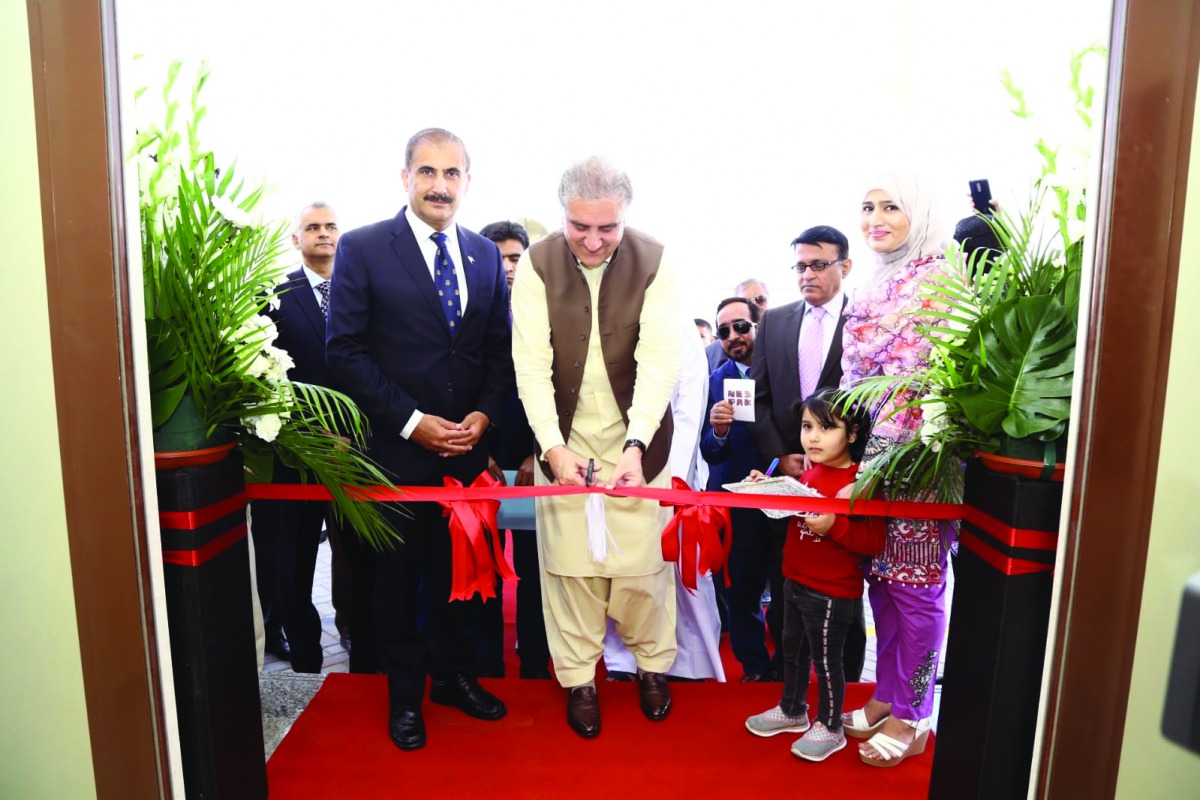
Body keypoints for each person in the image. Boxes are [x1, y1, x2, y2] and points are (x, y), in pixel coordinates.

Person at [326, 128, 515, 751]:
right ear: (404, 177)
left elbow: (495, 351)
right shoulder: (363, 247)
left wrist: (485, 416)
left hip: (467, 459)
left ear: (466, 181)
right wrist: (412, 422)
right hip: (397, 456)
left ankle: (455, 679)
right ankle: (405, 699)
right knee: (398, 590)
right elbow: (345, 351)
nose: (440, 185)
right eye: (428, 172)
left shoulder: (486, 257)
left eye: (453, 173)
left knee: (459, 583)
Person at [511, 156, 681, 739]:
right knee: (570, 570)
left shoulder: (655, 261)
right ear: (564, 214)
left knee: (642, 569)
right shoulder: (536, 263)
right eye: (579, 226)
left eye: (606, 227)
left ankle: (653, 666)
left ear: (624, 215)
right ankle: (580, 678)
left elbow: (660, 362)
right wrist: (552, 449)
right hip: (562, 438)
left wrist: (636, 445)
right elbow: (529, 366)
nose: (591, 239)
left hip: (638, 441)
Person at [840, 170, 954, 767]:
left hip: (920, 465)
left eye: (892, 206)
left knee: (917, 592)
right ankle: (886, 694)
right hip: (871, 463)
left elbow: (933, 382)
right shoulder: (877, 280)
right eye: (867, 206)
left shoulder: (940, 276)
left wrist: (894, 454)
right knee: (882, 583)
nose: (875, 218)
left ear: (922, 211)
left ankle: (915, 712)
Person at [750, 225, 865, 682]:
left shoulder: (867, 320)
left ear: (845, 267)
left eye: (818, 264)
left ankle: (848, 679)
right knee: (786, 579)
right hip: (789, 474)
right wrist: (783, 454)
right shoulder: (774, 321)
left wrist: (841, 459)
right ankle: (787, 677)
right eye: (800, 265)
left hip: (846, 477)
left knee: (844, 580)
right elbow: (760, 397)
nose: (807, 274)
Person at [744, 389, 884, 762]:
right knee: (791, 653)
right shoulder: (811, 471)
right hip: (794, 579)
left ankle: (831, 725)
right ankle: (792, 710)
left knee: (826, 663)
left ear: (853, 434)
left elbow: (872, 540)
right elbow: (800, 517)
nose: (813, 437)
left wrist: (834, 525)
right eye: (807, 426)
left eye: (826, 427)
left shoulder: (862, 481)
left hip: (833, 591)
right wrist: (770, 491)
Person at [250, 202, 345, 674]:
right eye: (312, 227)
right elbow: (263, 375)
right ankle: (306, 659)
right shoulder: (273, 295)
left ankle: (362, 647)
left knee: (356, 563)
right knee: (294, 565)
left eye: (330, 226)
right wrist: (308, 432)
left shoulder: (359, 288)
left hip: (357, 453)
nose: (323, 234)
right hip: (297, 453)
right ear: (296, 239)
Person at [601, 316, 724, 682]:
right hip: (617, 465)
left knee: (684, 569)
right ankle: (623, 658)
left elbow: (690, 404)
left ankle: (693, 661)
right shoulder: (605, 313)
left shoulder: (677, 320)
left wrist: (675, 475)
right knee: (622, 566)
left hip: (672, 469)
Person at [478, 219, 552, 680]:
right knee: (480, 569)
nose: (511, 266)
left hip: (534, 463)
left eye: (518, 257)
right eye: (502, 257)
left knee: (535, 571)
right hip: (479, 459)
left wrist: (537, 451)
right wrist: (476, 453)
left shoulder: (543, 312)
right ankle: (485, 664)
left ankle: (536, 665)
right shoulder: (466, 313)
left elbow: (561, 388)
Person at [699, 296, 773, 680]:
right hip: (736, 501)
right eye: (724, 330)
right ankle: (755, 668)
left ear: (758, 325)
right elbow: (708, 452)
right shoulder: (714, 382)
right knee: (740, 589)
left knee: (786, 587)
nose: (733, 336)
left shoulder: (782, 370)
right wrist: (719, 430)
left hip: (783, 496)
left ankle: (786, 668)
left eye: (740, 326)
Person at [706, 279, 770, 373]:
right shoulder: (711, 357)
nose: (732, 337)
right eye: (724, 331)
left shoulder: (788, 344)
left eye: (760, 300)